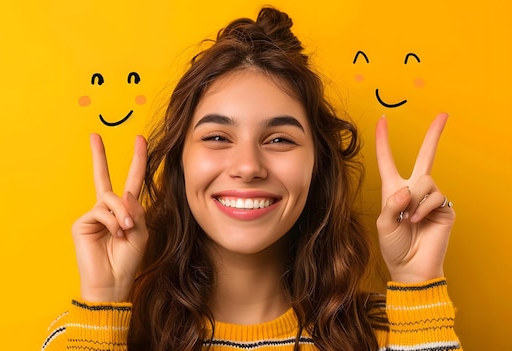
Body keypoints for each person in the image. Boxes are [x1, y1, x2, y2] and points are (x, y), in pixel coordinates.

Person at [42, 6, 461, 351]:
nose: (247, 166)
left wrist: (418, 283)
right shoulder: (92, 333)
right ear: (181, 161)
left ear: (318, 166)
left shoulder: (392, 336)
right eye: (218, 136)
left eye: (279, 139)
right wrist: (103, 301)